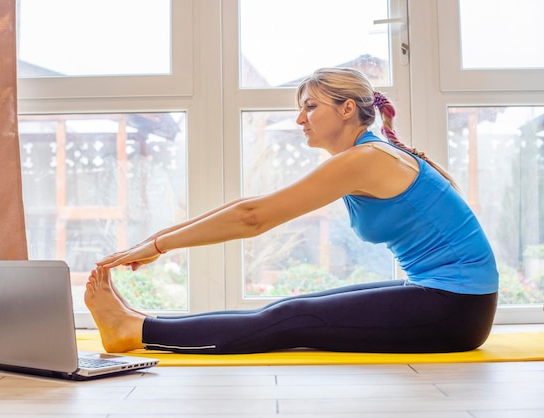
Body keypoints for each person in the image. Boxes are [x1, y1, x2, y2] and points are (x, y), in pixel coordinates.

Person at [85, 67, 499, 355]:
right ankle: (140, 322)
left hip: (456, 308)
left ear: (347, 109)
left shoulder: (366, 159)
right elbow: (244, 207)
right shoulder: (367, 154)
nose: (300, 118)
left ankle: (134, 332)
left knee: (292, 318)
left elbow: (253, 218)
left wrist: (159, 246)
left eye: (311, 106)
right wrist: (154, 241)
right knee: (289, 308)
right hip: (449, 298)